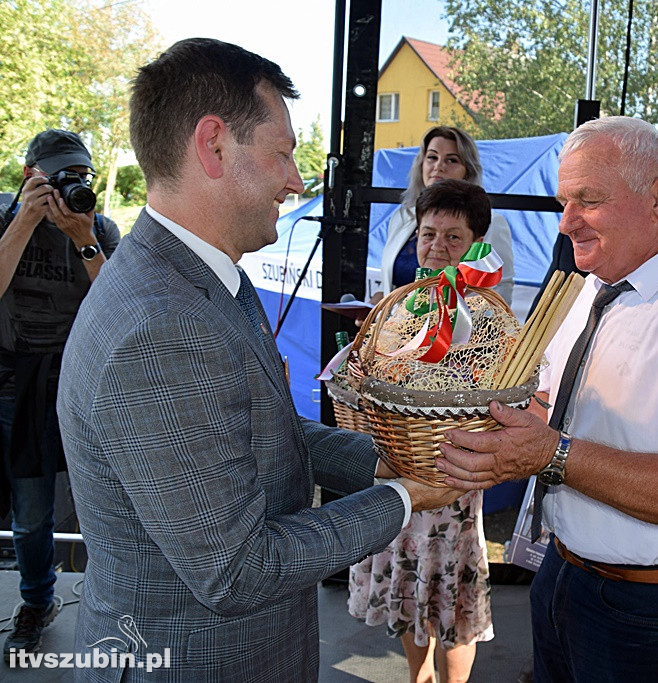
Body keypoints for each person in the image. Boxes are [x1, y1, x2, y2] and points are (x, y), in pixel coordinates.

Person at [55, 38, 460, 681]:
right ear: (214, 145)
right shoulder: (163, 324)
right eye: (284, 153)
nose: (296, 181)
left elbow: (259, 427)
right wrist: (406, 497)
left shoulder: (205, 279)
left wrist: (385, 460)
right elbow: (238, 569)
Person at [434, 116, 658, 683]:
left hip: (648, 607)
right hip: (562, 573)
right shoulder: (586, 289)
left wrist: (551, 455)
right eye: (564, 200)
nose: (566, 221)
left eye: (588, 200)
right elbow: (555, 409)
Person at [348, 179, 496, 683]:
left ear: (477, 246)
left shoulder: (484, 317)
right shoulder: (398, 307)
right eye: (428, 233)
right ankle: (419, 678)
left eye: (453, 237)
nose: (436, 246)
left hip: (452, 479)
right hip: (401, 473)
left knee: (454, 605)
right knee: (412, 601)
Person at [0, 129, 119, 660]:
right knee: (30, 512)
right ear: (31, 176)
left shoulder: (99, 226)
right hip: (15, 382)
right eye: (61, 177)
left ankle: (116, 603)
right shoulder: (7, 217)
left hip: (81, 382)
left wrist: (84, 239)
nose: (74, 186)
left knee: (107, 502)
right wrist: (25, 221)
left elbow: (122, 308)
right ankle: (36, 601)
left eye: (81, 176)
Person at [377, 126, 515, 303]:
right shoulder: (402, 217)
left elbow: (500, 290)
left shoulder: (492, 223)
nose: (439, 166)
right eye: (432, 157)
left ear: (468, 170)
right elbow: (388, 283)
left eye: (451, 160)